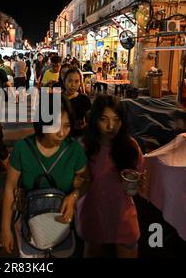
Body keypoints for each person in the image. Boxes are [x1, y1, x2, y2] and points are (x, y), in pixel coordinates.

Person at [0, 95, 90, 257]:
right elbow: (10, 187)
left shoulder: (74, 150)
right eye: (54, 125)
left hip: (62, 225)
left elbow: (87, 180)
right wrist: (5, 228)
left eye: (67, 125)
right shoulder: (23, 148)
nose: (62, 133)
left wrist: (74, 196)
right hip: (29, 225)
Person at [77, 95, 145, 258]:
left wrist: (139, 185)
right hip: (92, 213)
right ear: (94, 120)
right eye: (104, 119)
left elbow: (138, 180)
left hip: (123, 215)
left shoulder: (130, 146)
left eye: (116, 119)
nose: (111, 126)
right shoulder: (83, 147)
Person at [63, 68, 92, 137]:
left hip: (78, 137)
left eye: (77, 81)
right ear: (64, 81)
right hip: (61, 136)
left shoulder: (84, 99)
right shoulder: (57, 98)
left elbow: (91, 119)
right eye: (70, 81)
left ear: (80, 83)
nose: (73, 85)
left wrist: (86, 125)